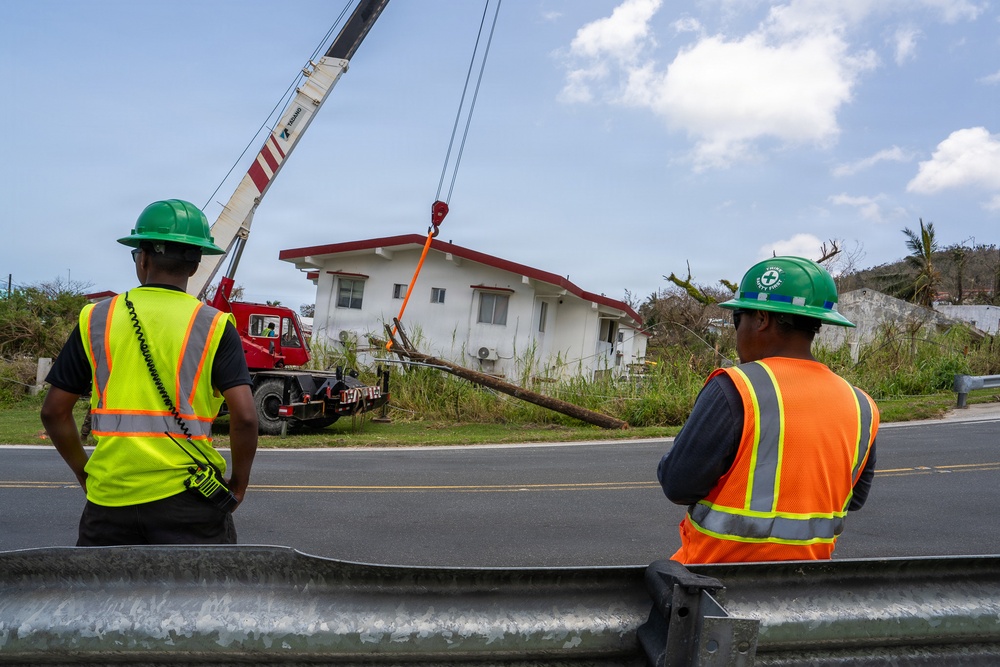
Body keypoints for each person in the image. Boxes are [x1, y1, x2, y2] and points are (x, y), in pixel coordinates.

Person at [40, 199, 258, 546]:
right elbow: (245, 418)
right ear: (195, 264)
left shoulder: (96, 318)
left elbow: (53, 411)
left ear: (143, 258)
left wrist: (87, 475)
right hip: (192, 503)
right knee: (200, 599)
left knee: (104, 599)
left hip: (109, 502)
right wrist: (239, 484)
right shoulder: (215, 325)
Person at [657, 256, 878, 564]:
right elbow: (854, 499)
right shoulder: (861, 405)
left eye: (737, 318)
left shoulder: (736, 387)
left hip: (711, 582)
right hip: (805, 589)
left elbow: (678, 485)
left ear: (761, 318)